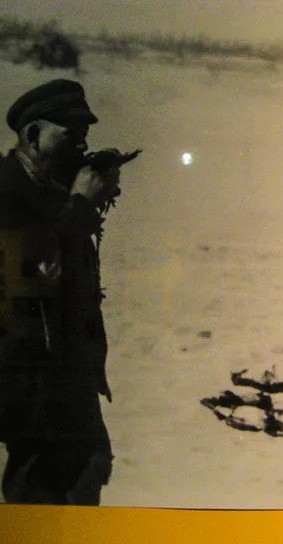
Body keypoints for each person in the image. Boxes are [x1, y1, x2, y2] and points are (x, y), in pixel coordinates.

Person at [0, 79, 122, 505]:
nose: (82, 148)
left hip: (65, 376)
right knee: (45, 487)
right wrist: (81, 207)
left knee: (87, 466)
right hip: (28, 383)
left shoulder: (50, 187)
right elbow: (34, 269)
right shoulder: (6, 191)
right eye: (72, 136)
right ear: (33, 135)